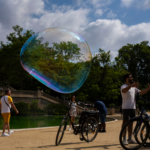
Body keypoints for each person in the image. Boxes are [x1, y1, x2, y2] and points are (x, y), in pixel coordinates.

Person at [121, 73, 150, 145]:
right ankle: (124, 139)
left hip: (133, 107)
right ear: (127, 79)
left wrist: (149, 88)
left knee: (131, 123)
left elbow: (141, 92)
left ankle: (130, 138)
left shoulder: (133, 88)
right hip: (126, 108)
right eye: (131, 77)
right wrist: (131, 86)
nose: (132, 78)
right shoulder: (123, 86)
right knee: (125, 123)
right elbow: (123, 91)